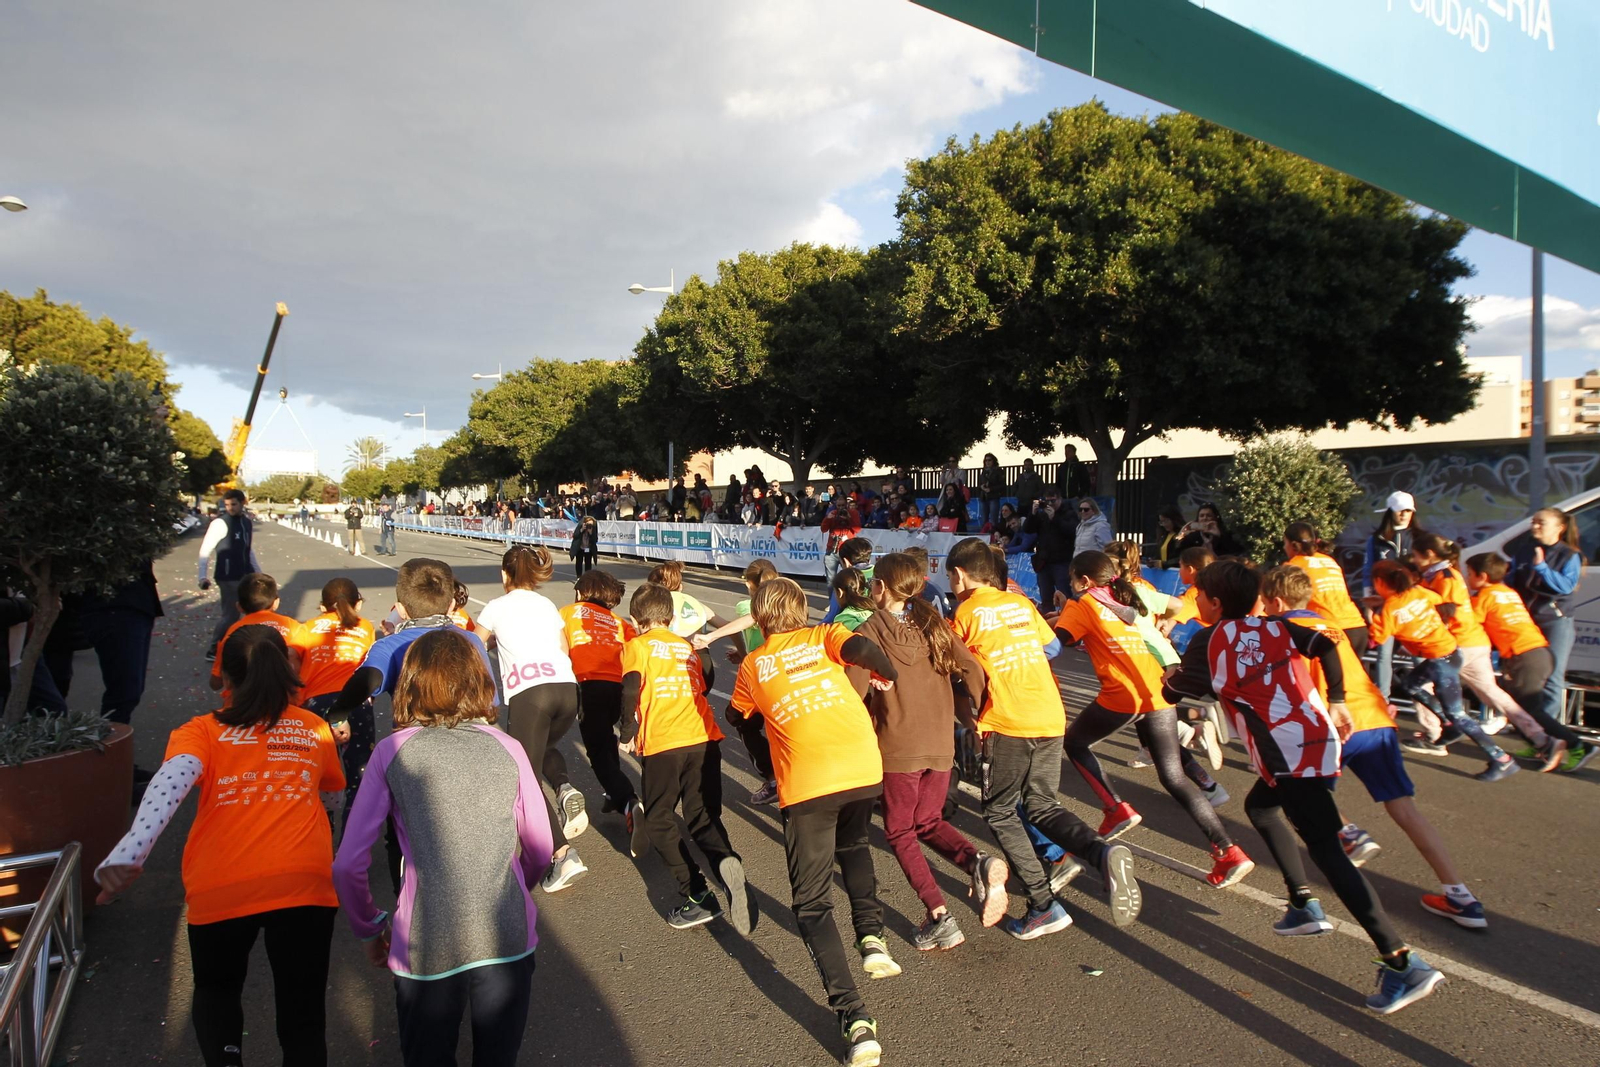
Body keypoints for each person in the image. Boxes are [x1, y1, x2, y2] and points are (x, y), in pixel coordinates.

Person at [1164, 560, 1446, 1014]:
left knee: (1329, 854)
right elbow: (1325, 644)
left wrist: (1170, 678)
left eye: (1198, 595)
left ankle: (1401, 961)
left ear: (1215, 604)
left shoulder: (1208, 639)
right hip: (1316, 739)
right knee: (1261, 809)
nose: (1194, 600)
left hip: (1287, 757)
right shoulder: (1275, 627)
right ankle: (1302, 903)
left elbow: (1174, 693)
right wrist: (1335, 700)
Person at [95, 625, 344, 1066]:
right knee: (303, 1012)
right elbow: (331, 796)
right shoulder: (313, 728)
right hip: (304, 881)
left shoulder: (202, 731)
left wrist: (131, 852)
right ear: (286, 671)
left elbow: (169, 785)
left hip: (222, 881)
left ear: (226, 679)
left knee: (217, 990)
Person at [333, 628, 553, 1067]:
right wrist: (515, 889)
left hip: (425, 940)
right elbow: (541, 847)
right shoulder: (508, 746)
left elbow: (347, 864)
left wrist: (369, 925)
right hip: (505, 931)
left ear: (410, 683)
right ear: (479, 681)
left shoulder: (392, 751)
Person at [729, 578, 903, 1067]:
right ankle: (871, 937)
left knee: (810, 905)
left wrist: (765, 755)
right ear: (802, 609)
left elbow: (737, 715)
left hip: (808, 781)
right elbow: (865, 648)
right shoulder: (823, 636)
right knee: (855, 848)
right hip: (864, 768)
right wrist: (884, 675)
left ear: (759, 618)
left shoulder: (752, 664)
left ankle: (855, 1019)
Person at [1258, 565, 1488, 930]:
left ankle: (1348, 834)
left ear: (1277, 601)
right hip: (1374, 717)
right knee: (1406, 809)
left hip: (1336, 722)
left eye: (1266, 604)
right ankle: (1460, 895)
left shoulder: (1282, 629)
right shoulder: (1328, 621)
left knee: (1296, 793)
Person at [946, 538, 1141, 941]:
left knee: (1000, 811)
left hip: (1009, 718)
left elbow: (957, 669)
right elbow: (1051, 648)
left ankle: (1043, 904)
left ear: (960, 575)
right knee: (1042, 805)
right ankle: (1100, 853)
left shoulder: (965, 613)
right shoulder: (1020, 604)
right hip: (1050, 715)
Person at [1054, 551, 1253, 887]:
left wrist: (1049, 622)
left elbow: (1058, 643)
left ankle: (1116, 808)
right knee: (1174, 776)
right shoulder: (1120, 598)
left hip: (1123, 694)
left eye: (1073, 579)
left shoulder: (1083, 603)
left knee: (1074, 742)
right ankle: (1229, 851)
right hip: (1156, 689)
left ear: (1084, 581)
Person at [845, 552, 1005, 949]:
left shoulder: (869, 631)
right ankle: (977, 862)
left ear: (880, 588)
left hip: (899, 745)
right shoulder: (933, 622)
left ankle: (939, 914)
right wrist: (977, 715)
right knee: (928, 821)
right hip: (939, 741)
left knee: (899, 830)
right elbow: (971, 668)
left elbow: (853, 692)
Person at [618, 583, 757, 933]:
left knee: (660, 819)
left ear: (636, 619)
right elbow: (706, 684)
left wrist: (627, 731)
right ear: (670, 617)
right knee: (701, 814)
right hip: (704, 739)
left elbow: (631, 686)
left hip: (665, 741)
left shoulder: (637, 645)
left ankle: (697, 893)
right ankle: (726, 862)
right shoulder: (686, 647)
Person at [475, 545, 591, 891]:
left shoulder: (495, 606)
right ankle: (564, 787)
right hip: (565, 688)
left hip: (530, 692)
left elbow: (475, 646)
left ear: (504, 575)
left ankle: (562, 854)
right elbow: (563, 648)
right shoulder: (546, 604)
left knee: (524, 778)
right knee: (542, 750)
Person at [1369, 560, 1519, 781]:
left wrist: (1371, 613)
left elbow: (1376, 639)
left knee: (1458, 713)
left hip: (1441, 662)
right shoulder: (1418, 591)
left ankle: (1502, 759)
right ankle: (1448, 724)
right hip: (1450, 652)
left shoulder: (1390, 608)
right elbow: (1440, 603)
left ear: (1380, 583)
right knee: (1410, 684)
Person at [1466, 553, 1596, 773]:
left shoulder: (1483, 598)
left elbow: (1468, 624)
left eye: (1469, 574)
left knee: (1526, 708)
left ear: (1482, 576)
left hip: (1524, 656)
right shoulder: (1508, 593)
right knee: (1515, 702)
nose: (1466, 579)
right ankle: (1538, 743)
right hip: (1539, 651)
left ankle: (1578, 746)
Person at [1412, 533, 1519, 737]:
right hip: (1473, 641)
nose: (1415, 560)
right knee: (1490, 692)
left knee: (1419, 684)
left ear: (1430, 555)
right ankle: (1539, 734)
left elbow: (1447, 611)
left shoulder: (1445, 577)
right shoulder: (1441, 575)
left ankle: (1434, 734)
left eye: (1416, 555)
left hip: (1458, 643)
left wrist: (1417, 596)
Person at [288, 578, 377, 818]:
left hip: (315, 706)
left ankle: (323, 836)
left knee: (317, 778)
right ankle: (351, 849)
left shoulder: (307, 628)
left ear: (321, 606)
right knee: (358, 780)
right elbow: (370, 665)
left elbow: (291, 660)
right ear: (357, 604)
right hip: (355, 702)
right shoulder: (365, 627)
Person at [559, 569, 641, 820]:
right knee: (606, 742)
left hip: (589, 684)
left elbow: (560, 650)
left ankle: (628, 801)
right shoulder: (619, 622)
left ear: (581, 593)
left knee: (597, 751)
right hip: (618, 686)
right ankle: (613, 796)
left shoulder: (567, 613)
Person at [1506, 506, 1584, 742]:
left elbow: (1566, 586)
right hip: (1528, 621)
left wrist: (1541, 567)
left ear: (1559, 528)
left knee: (1552, 677)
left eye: (1541, 523)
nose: (1535, 526)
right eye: (1533, 521)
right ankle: (1532, 730)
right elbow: (1512, 581)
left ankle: (1548, 735)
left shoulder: (1569, 555)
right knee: (1523, 675)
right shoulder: (1523, 551)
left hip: (1556, 620)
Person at [1363, 491, 1423, 698]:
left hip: (1411, 604)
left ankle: (1425, 702)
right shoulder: (1377, 539)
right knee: (1383, 654)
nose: (1404, 515)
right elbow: (1368, 570)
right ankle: (1383, 699)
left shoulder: (1419, 538)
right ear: (1390, 512)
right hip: (1385, 602)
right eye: (1400, 510)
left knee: (1418, 653)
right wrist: (1369, 604)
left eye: (1408, 510)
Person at [1284, 522, 1368, 654]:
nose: (1284, 548)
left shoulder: (1293, 566)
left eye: (1285, 543)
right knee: (1355, 674)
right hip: (1357, 628)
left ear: (1293, 545)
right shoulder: (1329, 560)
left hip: (1331, 630)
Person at [208, 574, 298, 692]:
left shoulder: (231, 634)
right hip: (285, 701)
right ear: (276, 603)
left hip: (239, 704)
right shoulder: (294, 627)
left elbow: (216, 683)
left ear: (239, 607)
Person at [197, 489, 258, 657]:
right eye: (227, 505)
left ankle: (244, 646)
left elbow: (248, 550)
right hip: (227, 575)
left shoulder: (246, 523)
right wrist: (202, 576)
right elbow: (205, 550)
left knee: (253, 611)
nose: (230, 508)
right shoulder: (220, 523)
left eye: (234, 504)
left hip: (245, 574)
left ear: (243, 503)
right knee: (231, 614)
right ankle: (214, 649)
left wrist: (259, 573)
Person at [1174, 501, 1241, 557]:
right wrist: (1181, 534)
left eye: (1208, 515)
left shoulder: (1224, 533)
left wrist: (1220, 536)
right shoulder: (1193, 536)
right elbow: (1179, 553)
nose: (1204, 518)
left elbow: (1235, 551)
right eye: (1201, 516)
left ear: (1215, 518)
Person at [976, 453, 1006, 531]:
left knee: (993, 520)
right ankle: (984, 536)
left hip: (994, 497)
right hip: (984, 497)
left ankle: (994, 536)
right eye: (986, 460)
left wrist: (991, 489)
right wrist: (981, 487)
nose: (987, 462)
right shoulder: (983, 472)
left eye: (989, 460)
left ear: (993, 461)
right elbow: (979, 484)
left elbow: (1002, 485)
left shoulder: (998, 471)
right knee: (983, 520)